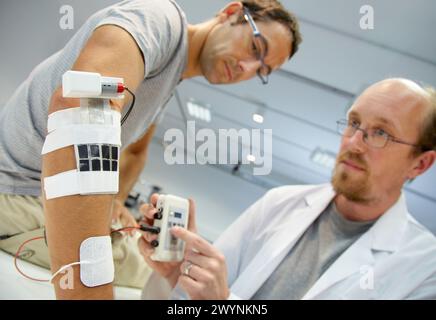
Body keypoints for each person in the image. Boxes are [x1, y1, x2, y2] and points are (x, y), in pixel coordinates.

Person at [0, 0, 302, 299]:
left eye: (262, 70)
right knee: (141, 276)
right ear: (231, 13)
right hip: (16, 190)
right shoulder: (160, 19)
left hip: (34, 192)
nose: (246, 68)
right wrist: (87, 291)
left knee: (153, 270)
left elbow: (134, 152)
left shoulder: (167, 79)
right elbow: (82, 104)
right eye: (255, 48)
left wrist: (115, 202)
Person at [139, 78, 436, 300]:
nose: (354, 143)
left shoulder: (424, 268)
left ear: (420, 164)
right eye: (354, 123)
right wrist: (178, 272)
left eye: (381, 133)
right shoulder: (279, 203)